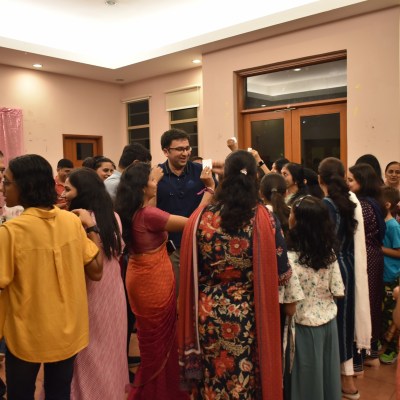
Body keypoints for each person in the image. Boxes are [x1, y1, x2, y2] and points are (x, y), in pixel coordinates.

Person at [179, 150, 291, 400]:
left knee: (212, 378)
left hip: (207, 312)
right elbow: (282, 273)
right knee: (243, 379)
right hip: (247, 314)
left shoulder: (201, 218)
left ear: (224, 177)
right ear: (255, 179)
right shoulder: (264, 218)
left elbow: (191, 269)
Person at [0, 154, 102, 399]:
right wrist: (92, 228)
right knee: (59, 392)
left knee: (21, 394)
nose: (2, 188)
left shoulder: (10, 232)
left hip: (27, 333)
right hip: (67, 329)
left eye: (7, 182)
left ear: (26, 186)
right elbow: (96, 268)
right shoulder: (70, 221)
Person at [115, 162, 215, 400]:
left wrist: (153, 183)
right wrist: (210, 190)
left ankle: (157, 388)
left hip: (140, 276)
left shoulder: (131, 211)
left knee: (153, 340)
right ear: (142, 188)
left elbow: (151, 207)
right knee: (161, 341)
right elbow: (193, 224)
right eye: (152, 180)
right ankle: (158, 392)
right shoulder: (148, 215)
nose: (156, 183)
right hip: (153, 281)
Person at [63, 167, 129, 400]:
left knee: (88, 354)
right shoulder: (113, 217)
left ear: (82, 192)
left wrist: (89, 226)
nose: (63, 194)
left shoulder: (76, 221)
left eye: (68, 189)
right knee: (109, 353)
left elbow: (93, 263)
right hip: (113, 294)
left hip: (90, 293)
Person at [318, 157, 370, 397]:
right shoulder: (351, 201)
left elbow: (322, 242)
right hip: (348, 265)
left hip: (331, 268)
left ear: (320, 179)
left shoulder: (326, 205)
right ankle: (346, 377)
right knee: (345, 321)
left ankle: (340, 379)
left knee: (333, 322)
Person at [286, 195, 344, 400]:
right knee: (327, 378)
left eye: (292, 213)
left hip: (303, 326)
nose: (289, 216)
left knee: (308, 383)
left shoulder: (289, 258)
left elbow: (289, 306)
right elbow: (338, 290)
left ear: (298, 222)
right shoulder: (329, 252)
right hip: (329, 324)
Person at [157, 128, 212, 296]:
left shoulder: (201, 171)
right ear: (166, 151)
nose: (185, 153)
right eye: (180, 149)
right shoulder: (156, 175)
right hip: (170, 246)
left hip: (200, 242)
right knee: (177, 294)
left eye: (187, 148)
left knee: (201, 292)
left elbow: (215, 200)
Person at [348, 163, 386, 371]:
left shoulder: (361, 205)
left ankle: (363, 354)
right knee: (372, 301)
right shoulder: (375, 202)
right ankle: (372, 352)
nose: (347, 184)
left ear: (362, 182)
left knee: (365, 303)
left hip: (366, 256)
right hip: (374, 255)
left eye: (351, 180)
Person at [379, 186, 400, 365]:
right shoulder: (380, 223)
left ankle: (392, 349)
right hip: (382, 275)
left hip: (391, 278)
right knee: (382, 312)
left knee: (392, 314)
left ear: (386, 204)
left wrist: (380, 249)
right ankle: (382, 343)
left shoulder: (393, 226)